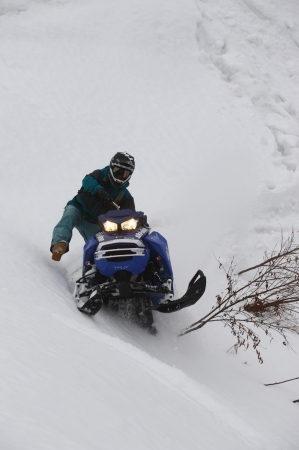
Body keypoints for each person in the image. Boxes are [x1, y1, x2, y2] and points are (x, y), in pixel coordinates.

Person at [50, 152, 136, 261]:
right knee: (69, 216)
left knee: (100, 247)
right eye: (117, 171)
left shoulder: (125, 196)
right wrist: (98, 190)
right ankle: (59, 244)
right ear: (111, 168)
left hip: (94, 223)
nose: (120, 176)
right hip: (78, 208)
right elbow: (87, 180)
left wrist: (137, 222)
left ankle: (94, 269)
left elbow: (130, 215)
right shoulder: (100, 175)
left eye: (124, 174)